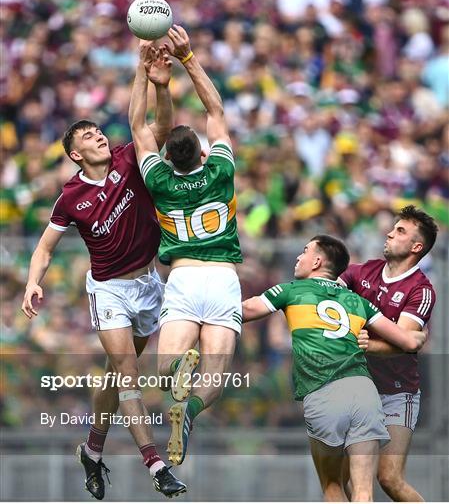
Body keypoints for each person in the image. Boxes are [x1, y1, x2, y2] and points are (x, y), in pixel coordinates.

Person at [20, 62, 186, 498]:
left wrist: (157, 84)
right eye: (87, 135)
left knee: (114, 376)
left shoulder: (129, 159)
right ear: (75, 154)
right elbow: (44, 248)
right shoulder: (70, 197)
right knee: (128, 374)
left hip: (149, 285)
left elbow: (163, 126)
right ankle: (155, 465)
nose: (98, 135)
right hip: (109, 290)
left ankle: (92, 451)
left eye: (98, 130)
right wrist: (33, 281)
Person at [129, 25, 242, 466]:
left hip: (182, 276)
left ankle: (179, 375)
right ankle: (189, 410)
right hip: (222, 278)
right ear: (201, 152)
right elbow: (215, 109)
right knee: (214, 376)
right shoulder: (220, 171)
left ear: (169, 157)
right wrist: (189, 59)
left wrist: (148, 75)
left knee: (163, 371)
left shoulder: (157, 180)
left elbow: (139, 126)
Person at [242, 235, 427, 502]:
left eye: (305, 251)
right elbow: (408, 340)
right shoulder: (358, 301)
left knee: (333, 484)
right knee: (364, 491)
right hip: (363, 392)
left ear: (317, 261)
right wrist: (419, 336)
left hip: (322, 392)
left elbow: (246, 310)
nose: (298, 256)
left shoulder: (292, 290)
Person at [339, 205, 438, 501]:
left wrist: (366, 344)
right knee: (342, 480)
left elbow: (403, 342)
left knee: (390, 478)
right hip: (358, 388)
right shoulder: (361, 272)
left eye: (400, 231)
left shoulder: (421, 290)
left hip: (398, 391)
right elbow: (328, 288)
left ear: (416, 247)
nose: (389, 233)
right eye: (394, 228)